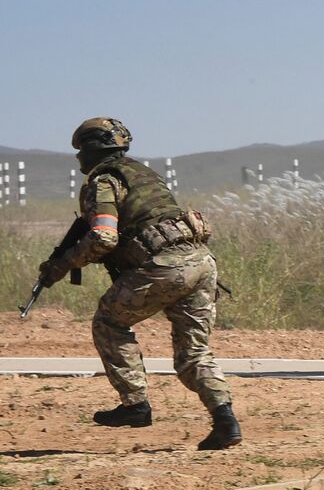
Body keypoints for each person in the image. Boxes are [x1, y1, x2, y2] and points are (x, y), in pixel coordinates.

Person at [37, 118, 241, 450]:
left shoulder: (104, 181)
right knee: (193, 353)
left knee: (108, 321)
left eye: (81, 150)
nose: (78, 158)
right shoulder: (144, 175)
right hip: (201, 263)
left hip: (165, 267)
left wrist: (61, 265)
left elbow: (103, 237)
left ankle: (135, 404)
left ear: (93, 149)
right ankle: (225, 421)